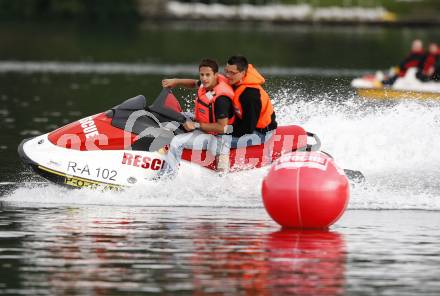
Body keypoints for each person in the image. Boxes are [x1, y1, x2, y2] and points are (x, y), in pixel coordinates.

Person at [160, 58, 235, 176]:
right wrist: (175, 81)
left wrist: (195, 125)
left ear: (215, 75)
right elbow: (194, 83)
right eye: (202, 75)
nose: (204, 78)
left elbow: (223, 128)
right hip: (204, 126)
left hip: (218, 137)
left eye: (208, 75)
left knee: (176, 142)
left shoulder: (221, 99)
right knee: (174, 117)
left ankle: (167, 177)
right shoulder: (207, 85)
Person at [224, 55, 277, 149]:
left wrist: (223, 130)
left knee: (218, 143)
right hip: (242, 124)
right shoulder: (235, 82)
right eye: (226, 71)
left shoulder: (250, 96)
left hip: (260, 133)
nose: (228, 76)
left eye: (232, 73)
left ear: (243, 73)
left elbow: (248, 128)